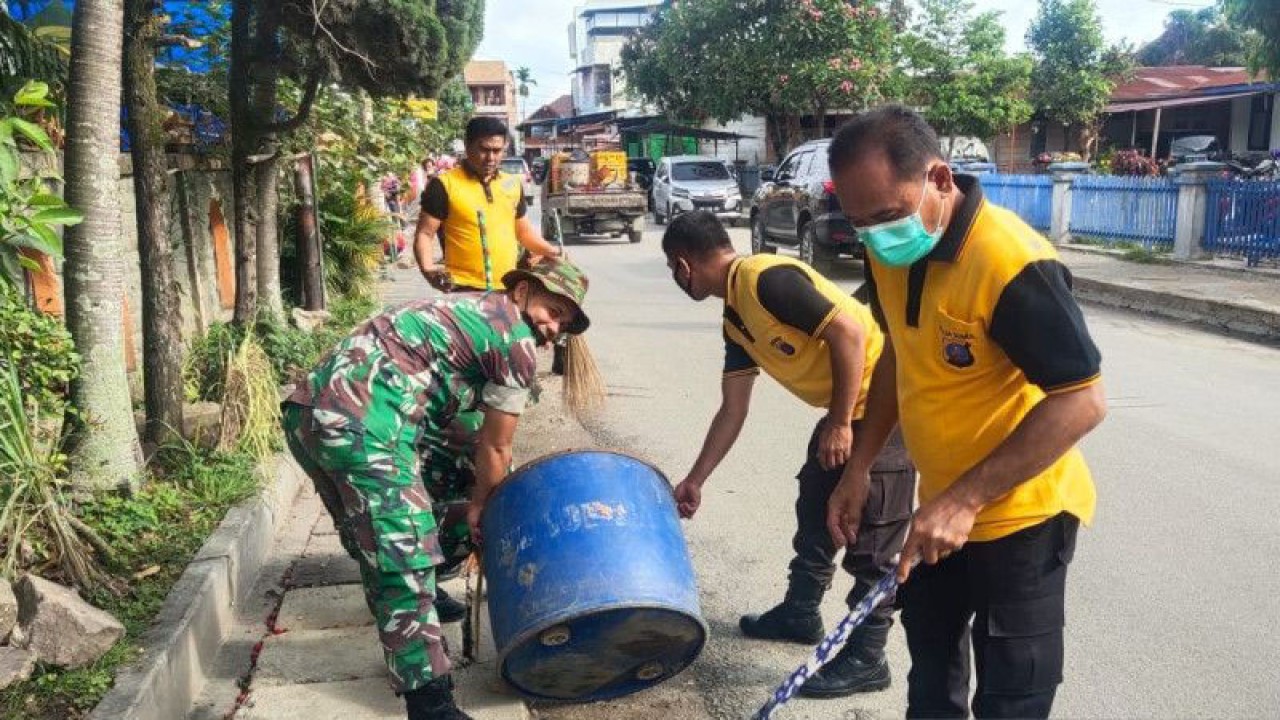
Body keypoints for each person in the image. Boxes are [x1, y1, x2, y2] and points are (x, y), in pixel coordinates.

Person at [824, 105, 1107, 719]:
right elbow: (899, 353)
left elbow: (1082, 401)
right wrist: (860, 466)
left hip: (1022, 517)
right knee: (931, 678)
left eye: (887, 216)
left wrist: (966, 499)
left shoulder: (1010, 263)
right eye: (859, 222)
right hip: (939, 514)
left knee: (1012, 696)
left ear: (940, 179)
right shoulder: (886, 251)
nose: (874, 235)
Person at [281, 258, 591, 720]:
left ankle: (418, 600)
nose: (552, 328)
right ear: (523, 290)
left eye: (563, 324)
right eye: (553, 311)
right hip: (361, 423)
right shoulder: (516, 342)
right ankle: (429, 700)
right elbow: (497, 446)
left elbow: (471, 437)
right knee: (402, 549)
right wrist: (485, 510)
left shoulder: (473, 310)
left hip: (307, 414)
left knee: (385, 534)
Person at [662, 211, 915, 698]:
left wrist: (839, 423)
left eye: (673, 269)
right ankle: (801, 612)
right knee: (817, 501)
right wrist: (696, 479)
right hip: (847, 408)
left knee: (871, 532)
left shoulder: (764, 279)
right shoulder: (736, 319)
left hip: (887, 404)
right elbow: (732, 409)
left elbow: (849, 333)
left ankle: (868, 657)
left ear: (682, 264)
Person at [413, 117, 561, 293]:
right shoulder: (444, 185)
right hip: (463, 287)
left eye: (497, 151)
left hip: (508, 286)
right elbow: (425, 233)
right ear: (467, 146)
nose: (491, 158)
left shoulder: (512, 184)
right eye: (484, 150)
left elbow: (523, 232)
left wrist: (551, 251)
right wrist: (428, 269)